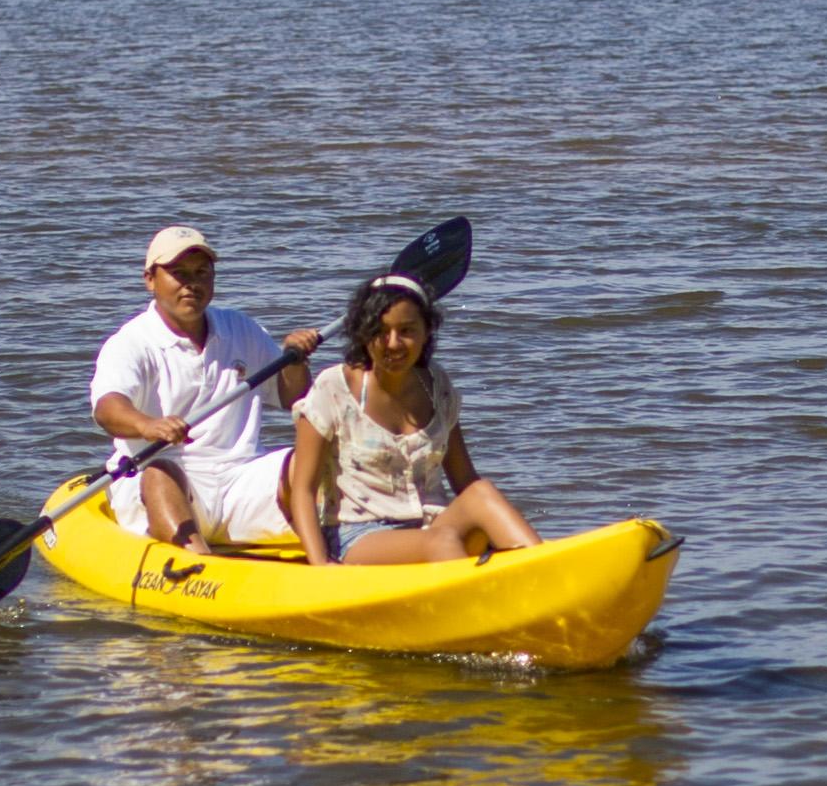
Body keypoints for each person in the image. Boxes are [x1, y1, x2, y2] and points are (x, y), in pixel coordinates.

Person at [283, 271, 540, 564]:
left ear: (426, 332)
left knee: (481, 492)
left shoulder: (436, 386)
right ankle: (469, 605)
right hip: (360, 536)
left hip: (432, 524)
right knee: (440, 541)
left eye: (406, 331)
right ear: (363, 334)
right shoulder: (333, 388)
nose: (393, 343)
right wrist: (320, 567)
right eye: (381, 332)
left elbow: (465, 480)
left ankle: (547, 573)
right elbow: (302, 492)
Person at [91, 223, 314, 546]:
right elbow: (108, 409)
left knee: (311, 460)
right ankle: (196, 565)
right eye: (179, 273)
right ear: (150, 280)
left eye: (201, 273)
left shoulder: (241, 328)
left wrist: (296, 362)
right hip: (165, 484)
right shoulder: (130, 342)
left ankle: (342, 548)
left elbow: (293, 398)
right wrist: (148, 425)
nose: (191, 284)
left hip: (241, 478)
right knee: (160, 472)